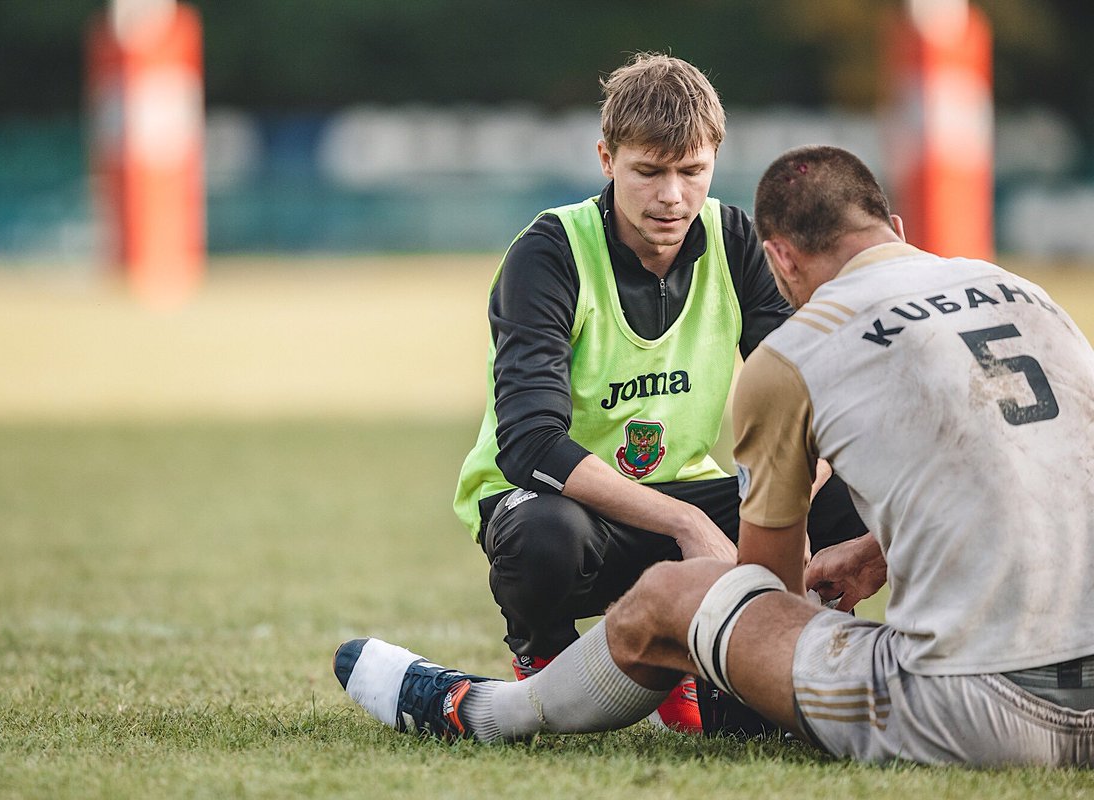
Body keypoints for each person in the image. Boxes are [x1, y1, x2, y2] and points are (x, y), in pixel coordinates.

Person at [335, 144, 1094, 766]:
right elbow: (1032, 469)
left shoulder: (801, 346)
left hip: (981, 710)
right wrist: (872, 552)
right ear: (893, 224)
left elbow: (760, 590)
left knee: (676, 595)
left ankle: (489, 712)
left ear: (780, 263)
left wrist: (710, 600)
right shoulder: (1027, 294)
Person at [451, 51, 865, 732]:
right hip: (569, 503)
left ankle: (768, 660)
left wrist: (792, 497)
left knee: (847, 491)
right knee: (540, 534)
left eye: (692, 171)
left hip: (688, 490)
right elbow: (530, 444)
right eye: (648, 171)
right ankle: (543, 661)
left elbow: (812, 401)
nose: (672, 196)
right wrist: (687, 524)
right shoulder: (550, 252)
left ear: (713, 162)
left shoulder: (737, 242)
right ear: (607, 159)